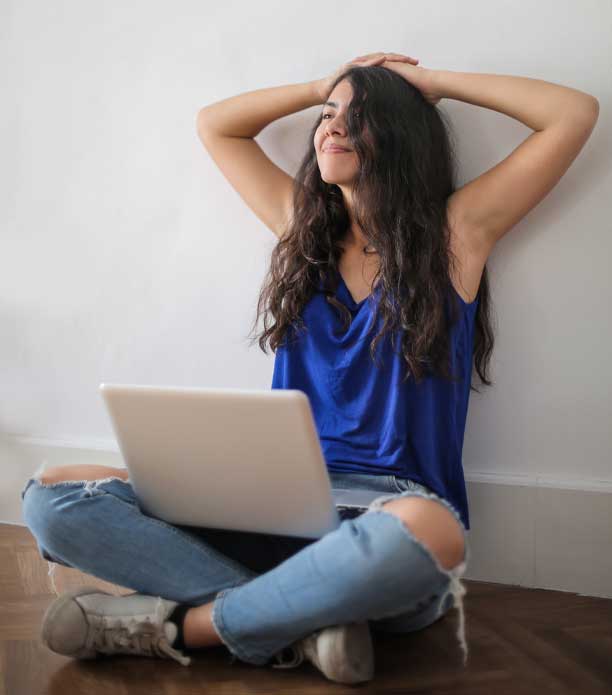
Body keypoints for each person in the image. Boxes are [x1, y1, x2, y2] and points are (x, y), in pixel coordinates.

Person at [21, 51, 599, 684]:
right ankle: (307, 621)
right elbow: (216, 124)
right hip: (270, 509)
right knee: (53, 494)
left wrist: (427, 83)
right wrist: (322, 85)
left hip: (389, 517)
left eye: (359, 115)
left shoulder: (455, 235)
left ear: (404, 133)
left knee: (430, 533)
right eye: (327, 115)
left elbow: (572, 114)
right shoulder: (302, 232)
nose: (331, 125)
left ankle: (184, 626)